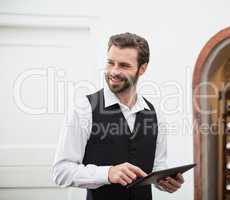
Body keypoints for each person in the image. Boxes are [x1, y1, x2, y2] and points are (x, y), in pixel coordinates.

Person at [52, 32, 184, 200]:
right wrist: (107, 173)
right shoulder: (83, 109)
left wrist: (164, 181)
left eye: (123, 65)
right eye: (110, 63)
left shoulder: (156, 113)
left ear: (142, 69)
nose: (113, 71)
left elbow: (157, 165)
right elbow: (61, 172)